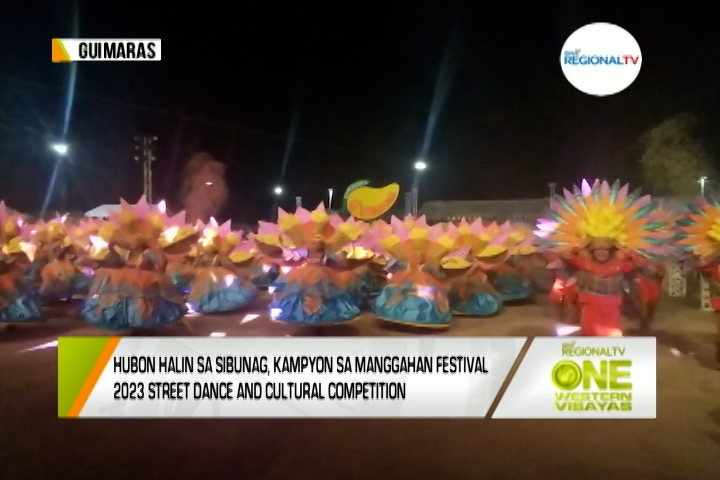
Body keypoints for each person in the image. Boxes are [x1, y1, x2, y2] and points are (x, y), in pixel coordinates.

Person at [537, 179, 669, 337]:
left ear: (611, 251)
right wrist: (582, 244)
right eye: (598, 250)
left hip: (611, 305)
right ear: (592, 251)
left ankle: (640, 322)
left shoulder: (620, 264)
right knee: (589, 334)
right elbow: (566, 255)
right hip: (589, 304)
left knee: (613, 335)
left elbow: (638, 264)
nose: (601, 253)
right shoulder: (583, 262)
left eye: (605, 250)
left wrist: (626, 250)